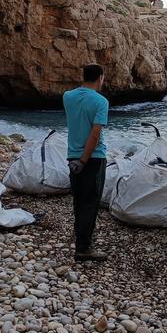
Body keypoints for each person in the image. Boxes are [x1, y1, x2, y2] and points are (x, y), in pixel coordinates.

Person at [63, 64, 109, 262]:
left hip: (72, 156)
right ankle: (84, 248)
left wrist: (78, 160)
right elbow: (95, 134)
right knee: (90, 203)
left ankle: (81, 241)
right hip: (93, 158)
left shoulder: (67, 97)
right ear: (100, 78)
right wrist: (84, 160)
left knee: (79, 200)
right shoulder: (101, 102)